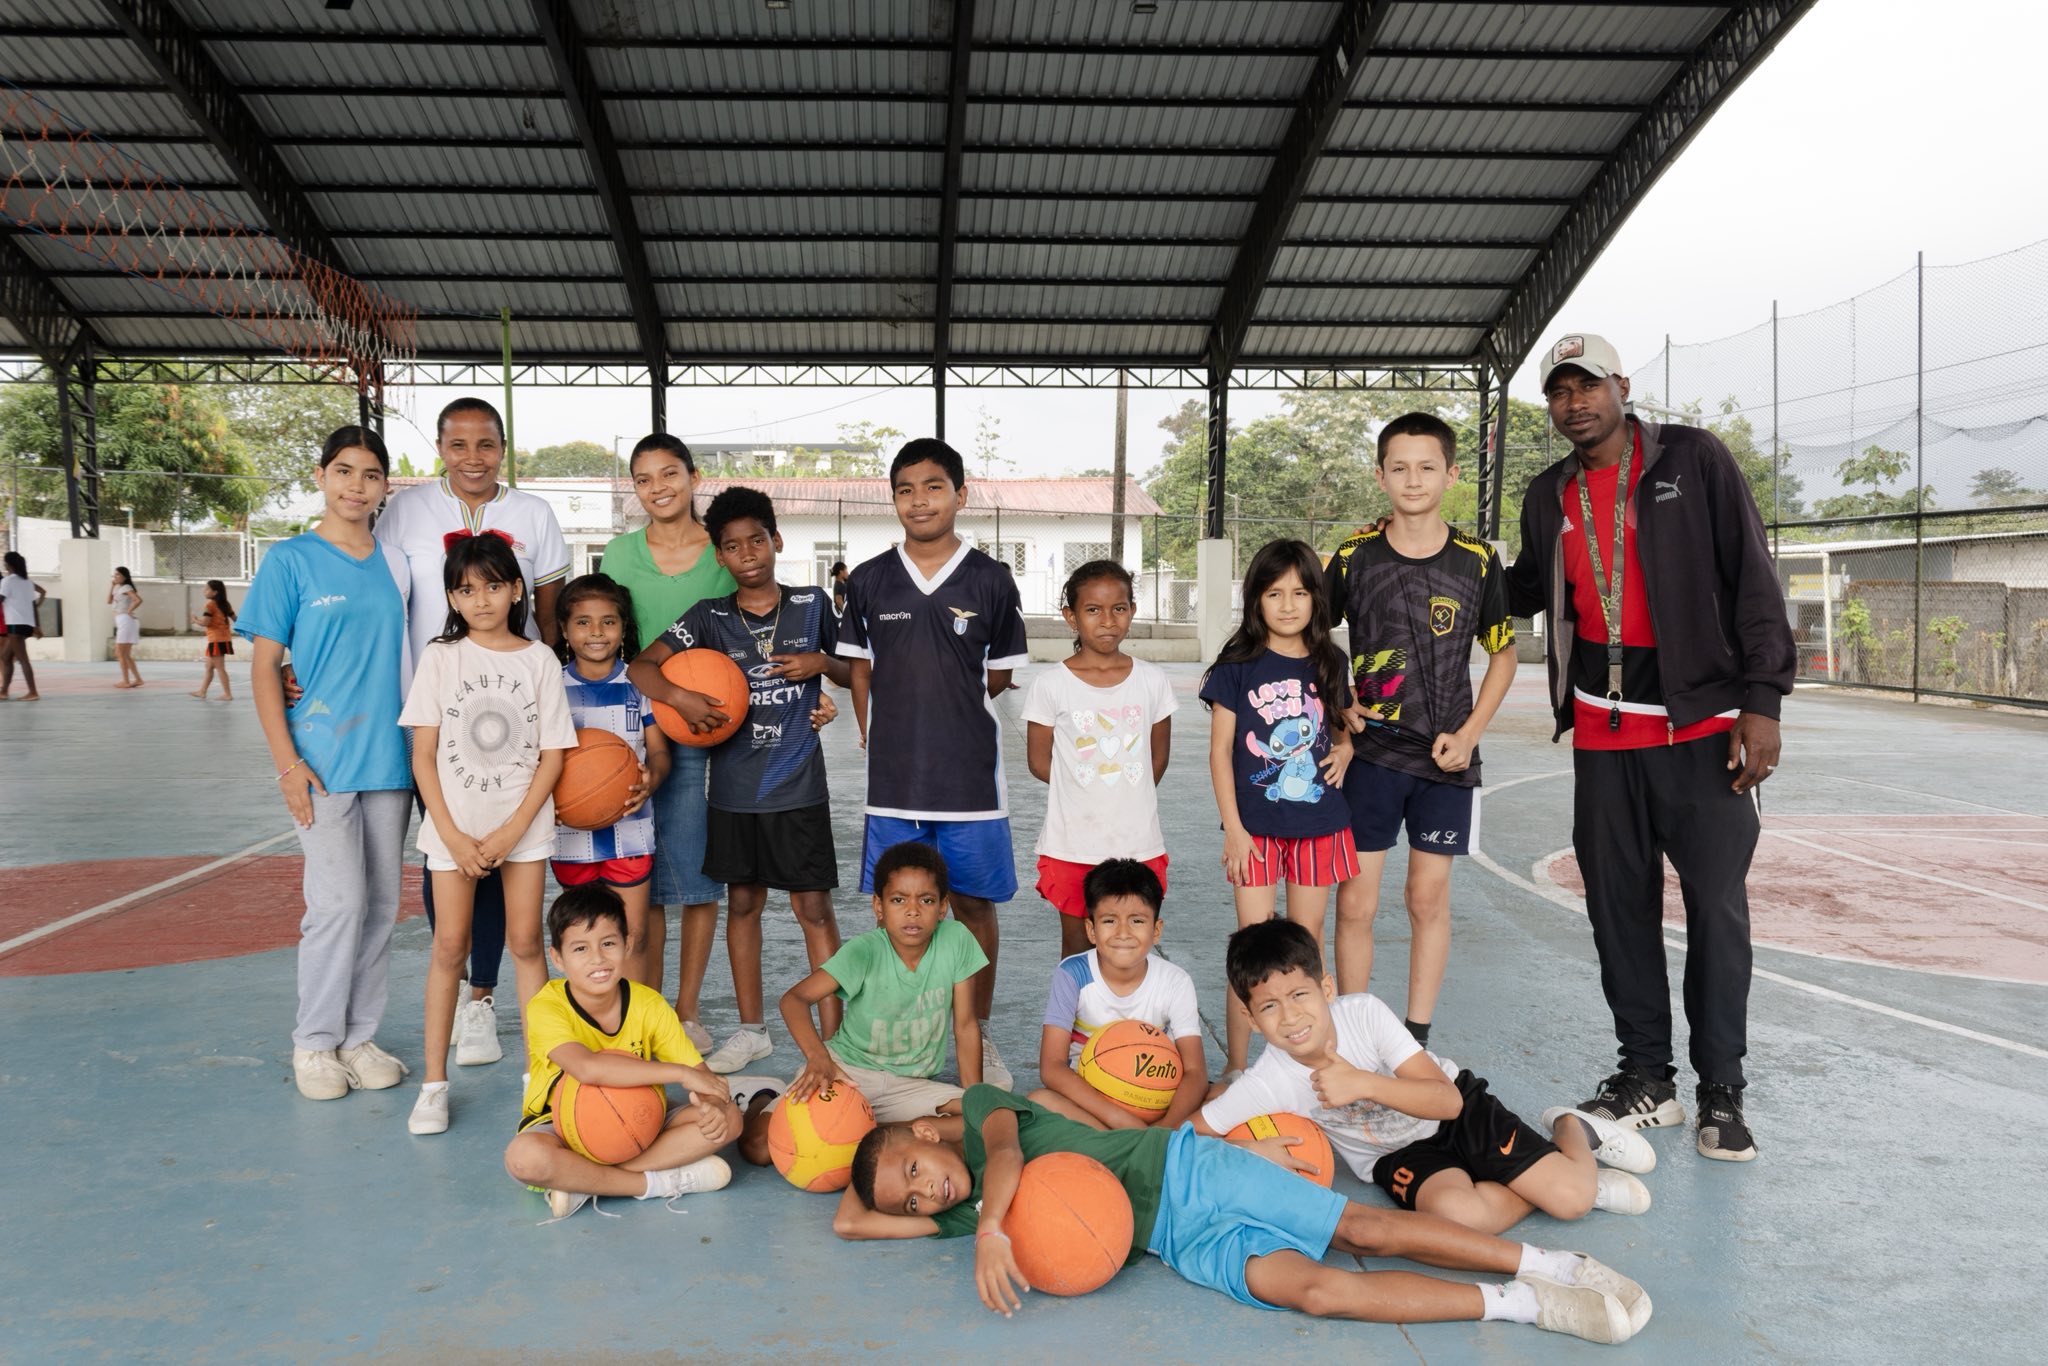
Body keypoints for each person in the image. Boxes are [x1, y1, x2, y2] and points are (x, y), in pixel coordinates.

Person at [1504, 333, 1794, 1163]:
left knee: (1716, 912)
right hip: (1604, 732)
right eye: (1560, 392)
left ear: (1621, 386)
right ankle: (1647, 1080)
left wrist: (1762, 701)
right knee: (1617, 910)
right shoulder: (1548, 492)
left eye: (1588, 386)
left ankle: (1722, 1091)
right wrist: (1438, 555)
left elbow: (1753, 576)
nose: (1575, 404)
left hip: (1701, 727)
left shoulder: (1694, 459)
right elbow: (1525, 587)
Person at [837, 1085, 1651, 1344]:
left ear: (926, 1133)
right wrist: (880, 1174)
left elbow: (1007, 1158)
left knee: (1361, 1229)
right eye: (913, 1200)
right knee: (1320, 1292)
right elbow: (852, 1222)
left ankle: (1558, 1266)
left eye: (916, 1172)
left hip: (1191, 1171)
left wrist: (988, 1230)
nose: (926, 1195)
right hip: (1181, 1241)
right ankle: (1526, 1304)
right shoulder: (957, 1211)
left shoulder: (986, 1113)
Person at [1196, 919, 1653, 1234]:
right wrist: (1250, 1150)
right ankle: (1535, 1179)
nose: (1290, 1016)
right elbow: (1186, 1135)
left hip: (1454, 1111)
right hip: (1395, 1155)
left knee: (1572, 1200)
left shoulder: (1363, 1015)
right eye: (1269, 1006)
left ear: (1327, 989)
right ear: (1251, 1020)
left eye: (1299, 994)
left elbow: (1447, 1101)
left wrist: (1362, 1083)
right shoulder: (1267, 1080)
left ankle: (1573, 1130)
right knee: (1458, 1218)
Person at [376, 397, 572, 1070]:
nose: (472, 457)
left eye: (485, 444)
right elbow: (382, 604)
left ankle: (484, 999)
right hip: (439, 720)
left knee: (513, 876)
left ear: (503, 448)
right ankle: (463, 987)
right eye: (458, 444)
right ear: (439, 448)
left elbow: (551, 615)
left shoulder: (534, 515)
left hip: (513, 721)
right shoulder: (403, 512)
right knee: (452, 860)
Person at [628, 486, 847, 1073]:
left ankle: (838, 1040)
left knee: (814, 909)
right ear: (719, 556)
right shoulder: (709, 617)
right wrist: (679, 697)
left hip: (798, 787)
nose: (747, 553)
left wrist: (822, 664)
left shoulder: (813, 604)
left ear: (777, 541)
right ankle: (753, 1030)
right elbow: (642, 667)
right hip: (733, 792)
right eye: (732, 545)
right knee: (743, 904)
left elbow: (860, 668)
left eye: (757, 540)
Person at [837, 438, 1030, 1087]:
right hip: (894, 783)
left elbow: (998, 676)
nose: (919, 501)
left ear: (960, 494)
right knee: (901, 912)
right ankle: (905, 1041)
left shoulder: (990, 579)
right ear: (893, 499)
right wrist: (876, 729)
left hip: (970, 781)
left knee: (973, 907)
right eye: (905, 489)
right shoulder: (868, 580)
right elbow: (858, 668)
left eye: (933, 487)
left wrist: (951, 706)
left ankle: (979, 1032)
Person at [1325, 413, 1517, 1045]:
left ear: (1451, 475)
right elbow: (1310, 634)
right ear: (1380, 476)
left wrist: (1469, 735)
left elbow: (1503, 654)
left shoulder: (1478, 561)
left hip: (1445, 761)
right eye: (1400, 468)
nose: (1414, 479)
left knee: (1427, 899)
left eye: (1427, 467)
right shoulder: (1353, 557)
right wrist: (1340, 706)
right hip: (1371, 756)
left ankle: (1416, 1040)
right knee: (1356, 903)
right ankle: (1354, 1035)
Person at [238, 427, 414, 1102]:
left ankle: (357, 1038)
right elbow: (265, 669)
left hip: (389, 759)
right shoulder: (291, 560)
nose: (355, 486)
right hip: (320, 760)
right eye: (343, 471)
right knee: (337, 904)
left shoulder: (396, 563)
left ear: (384, 487)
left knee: (380, 906)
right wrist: (287, 764)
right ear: (320, 476)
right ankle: (314, 1042)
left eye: (370, 475)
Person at [399, 532, 579, 1136]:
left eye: (493, 586)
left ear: (517, 590)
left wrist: (513, 830)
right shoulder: (440, 657)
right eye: (466, 589)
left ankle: (539, 1081)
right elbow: (423, 756)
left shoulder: (539, 660)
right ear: (452, 597)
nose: (480, 600)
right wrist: (450, 834)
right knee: (449, 948)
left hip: (520, 829)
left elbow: (553, 756)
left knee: (526, 944)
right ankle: (433, 1085)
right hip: (453, 831)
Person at [1199, 539, 1355, 1081]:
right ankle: (1238, 1067)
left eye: (1300, 592)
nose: (1288, 605)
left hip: (1318, 824)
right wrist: (1234, 830)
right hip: (1256, 832)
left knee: (1307, 944)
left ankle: (1312, 1063)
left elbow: (1340, 727)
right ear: (1255, 599)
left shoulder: (1330, 660)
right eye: (1274, 593)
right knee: (1253, 944)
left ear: (1317, 599)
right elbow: (1220, 752)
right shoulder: (1236, 666)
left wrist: (1346, 749)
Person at [736, 842, 988, 1170]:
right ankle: (762, 1098)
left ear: (943, 907)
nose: (913, 911)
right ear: (878, 906)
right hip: (848, 1073)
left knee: (984, 1121)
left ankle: (863, 1131)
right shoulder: (864, 951)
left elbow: (965, 1025)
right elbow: (794, 1000)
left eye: (926, 900)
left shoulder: (956, 940)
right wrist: (819, 1057)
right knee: (758, 1148)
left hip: (911, 1085)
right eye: (898, 900)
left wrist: (976, 1099)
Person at [601, 434, 735, 1043]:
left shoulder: (722, 553)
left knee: (699, 877)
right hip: (632, 727)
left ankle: (687, 1013)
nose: (658, 488)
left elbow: (752, 634)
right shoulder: (619, 554)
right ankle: (646, 1010)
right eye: (644, 478)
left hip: (707, 729)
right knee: (642, 881)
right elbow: (607, 636)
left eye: (669, 473)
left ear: (693, 476)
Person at [503, 885, 739, 1221]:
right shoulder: (546, 1006)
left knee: (730, 1119)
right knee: (524, 1158)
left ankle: (584, 1181)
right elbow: (587, 1068)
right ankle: (656, 1183)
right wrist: (680, 1074)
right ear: (557, 959)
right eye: (580, 948)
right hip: (562, 1124)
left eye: (608, 944)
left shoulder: (648, 1003)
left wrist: (713, 1103)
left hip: (640, 1118)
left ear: (627, 944)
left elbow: (701, 1076)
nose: (597, 959)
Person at [1022, 559, 1178, 960]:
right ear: (1071, 617)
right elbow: (1039, 761)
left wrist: (1123, 790)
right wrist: (1086, 785)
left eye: (1118, 608)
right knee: (1078, 950)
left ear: (1132, 611)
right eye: (1093, 610)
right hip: (1073, 845)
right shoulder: (1051, 684)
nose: (1108, 620)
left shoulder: (1152, 680)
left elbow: (1157, 759)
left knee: (1130, 950)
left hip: (1138, 843)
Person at [550, 573, 670, 986]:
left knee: (632, 937)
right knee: (583, 937)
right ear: (565, 629)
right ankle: (592, 1015)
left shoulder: (639, 683)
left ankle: (634, 1020)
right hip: (570, 833)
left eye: (608, 621)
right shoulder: (551, 686)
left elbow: (659, 752)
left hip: (630, 830)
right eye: (583, 622)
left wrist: (653, 779)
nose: (597, 632)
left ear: (623, 627)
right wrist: (545, 799)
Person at [1031, 859, 1207, 1131]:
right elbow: (1052, 1067)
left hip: (1157, 1102)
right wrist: (1122, 1121)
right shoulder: (1072, 974)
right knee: (1040, 1101)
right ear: (1091, 930)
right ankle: (1135, 1141)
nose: (1123, 933)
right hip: (1092, 1103)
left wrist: (1164, 1129)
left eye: (1137, 921)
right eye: (1109, 921)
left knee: (1222, 1095)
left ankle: (1127, 1143)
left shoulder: (1175, 981)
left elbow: (1195, 1072)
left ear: (1156, 930)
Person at [0, 550, 45, 700]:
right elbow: (33, 605)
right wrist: (37, 626)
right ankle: (4, 691)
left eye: (5, 563)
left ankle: (33, 692)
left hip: (15, 624)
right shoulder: (27, 582)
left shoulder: (8, 581)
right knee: (6, 657)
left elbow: (0, 599)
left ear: (8, 564)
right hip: (26, 625)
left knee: (22, 659)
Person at [189, 578, 238, 701]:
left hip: (216, 640)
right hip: (224, 638)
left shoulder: (210, 605)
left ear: (215, 592)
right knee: (209, 667)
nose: (204, 591)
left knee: (220, 668)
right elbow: (236, 619)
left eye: (207, 589)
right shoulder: (225, 604)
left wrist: (195, 620)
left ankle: (227, 694)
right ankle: (202, 691)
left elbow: (205, 623)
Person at [109, 566, 143, 688]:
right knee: (125, 655)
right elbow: (109, 601)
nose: (115, 577)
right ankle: (138, 679)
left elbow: (138, 600)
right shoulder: (119, 589)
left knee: (120, 653)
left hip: (125, 621)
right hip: (123, 621)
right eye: (114, 574)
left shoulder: (126, 587)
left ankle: (126, 681)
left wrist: (129, 610)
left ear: (124, 576)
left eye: (118, 574)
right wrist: (112, 586)